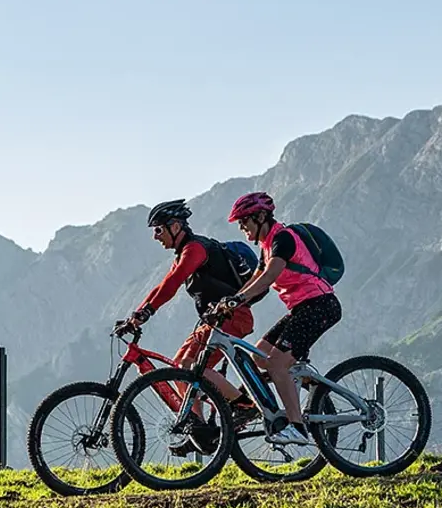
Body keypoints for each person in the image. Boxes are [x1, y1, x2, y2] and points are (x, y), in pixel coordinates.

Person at [114, 201, 258, 445]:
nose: (155, 236)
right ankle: (198, 430)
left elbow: (173, 284)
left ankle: (243, 405)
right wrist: (137, 314)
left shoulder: (196, 249)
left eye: (158, 229)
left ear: (176, 226)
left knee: (188, 366)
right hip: (214, 321)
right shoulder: (184, 252)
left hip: (232, 317)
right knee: (181, 367)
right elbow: (163, 284)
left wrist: (146, 313)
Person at [216, 191, 341, 448]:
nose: (242, 228)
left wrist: (237, 301)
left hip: (319, 304)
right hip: (302, 308)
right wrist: (230, 301)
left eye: (244, 221)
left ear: (261, 216)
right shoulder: (266, 246)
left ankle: (297, 427)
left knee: (275, 365)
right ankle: (301, 380)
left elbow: (269, 277)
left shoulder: (283, 239)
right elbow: (255, 280)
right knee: (258, 356)